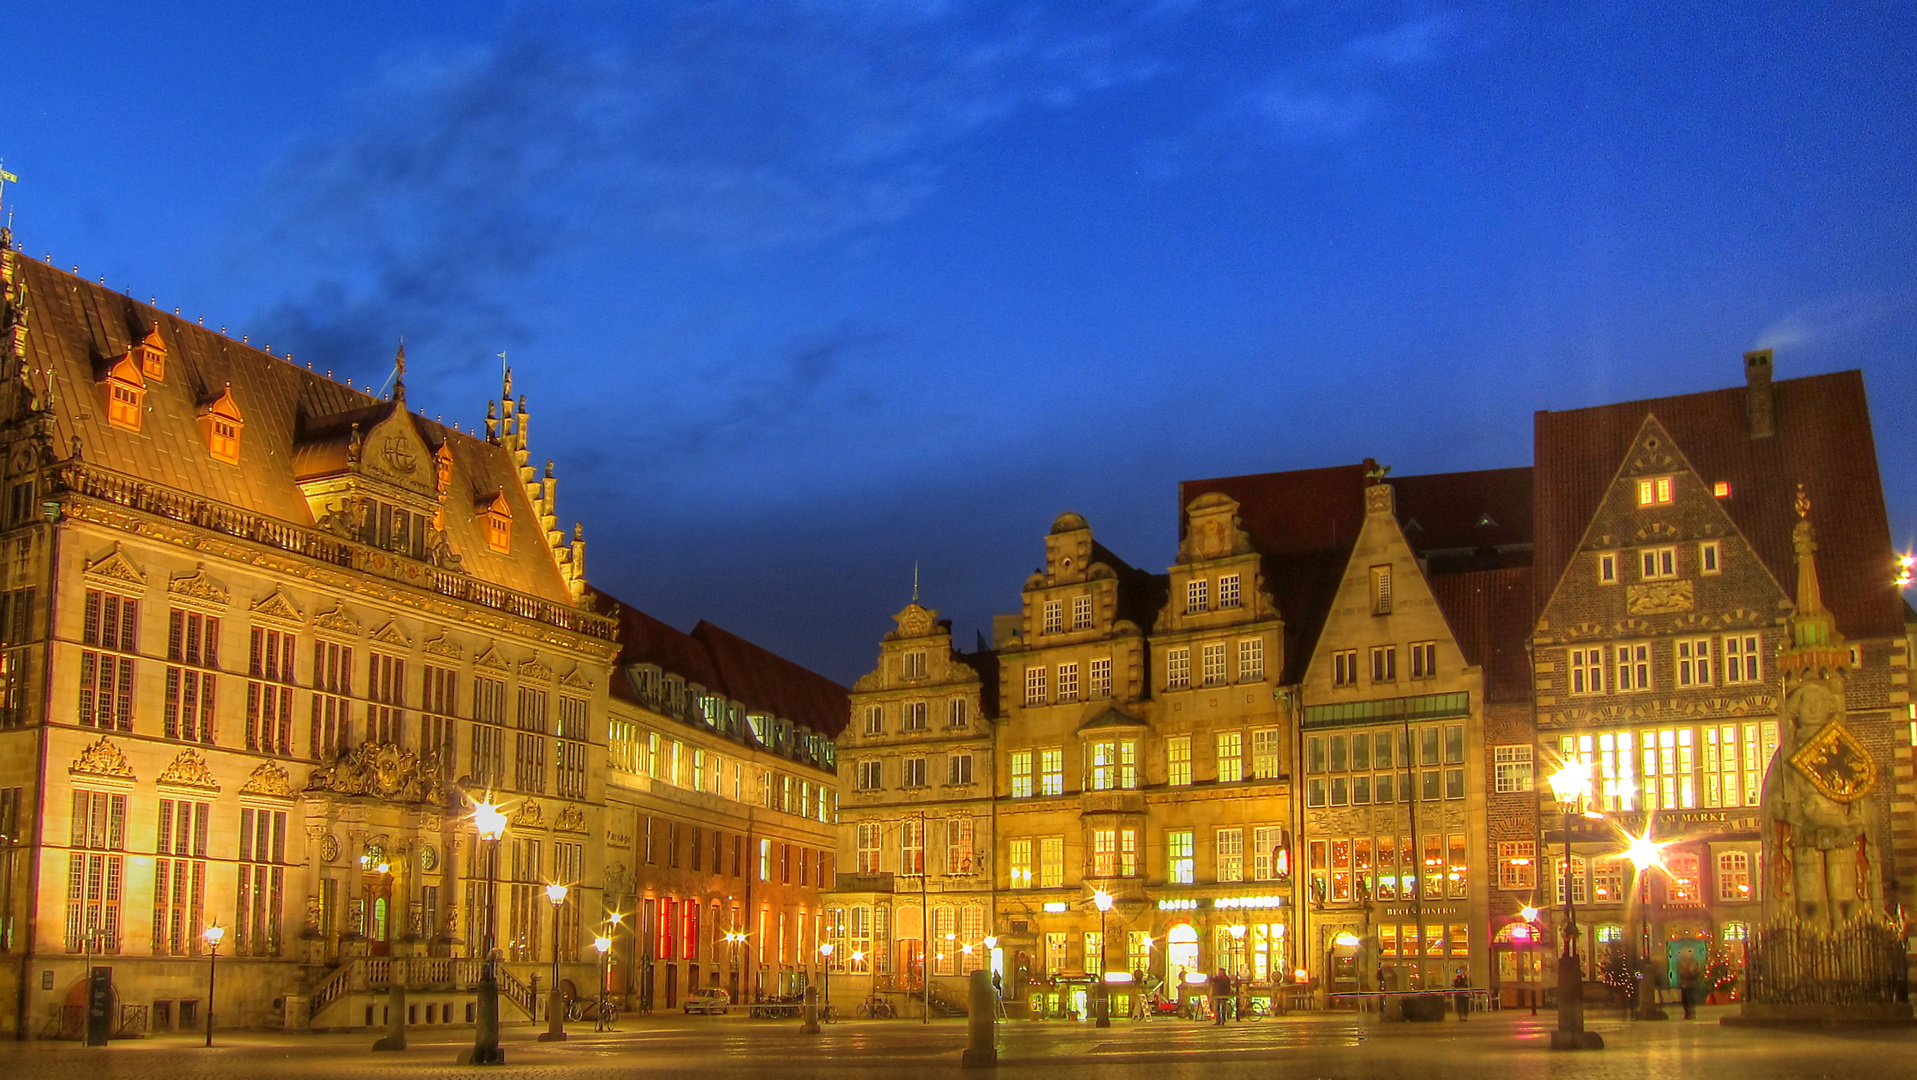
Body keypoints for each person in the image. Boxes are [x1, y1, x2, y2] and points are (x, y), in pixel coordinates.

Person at [1677, 953, 1700, 1020]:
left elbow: (1695, 974)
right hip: (1685, 985)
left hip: (1690, 985)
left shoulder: (1692, 964)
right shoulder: (1683, 964)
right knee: (1686, 1000)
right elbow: (1681, 973)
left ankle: (1691, 1013)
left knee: (1690, 999)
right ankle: (1688, 1013)